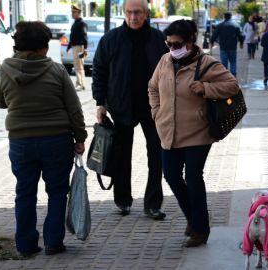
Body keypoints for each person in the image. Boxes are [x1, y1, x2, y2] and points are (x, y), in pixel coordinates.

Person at [0, 21, 87, 256]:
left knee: (24, 192)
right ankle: (54, 242)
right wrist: (80, 137)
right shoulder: (56, 70)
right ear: (44, 47)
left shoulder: (6, 69)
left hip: (21, 142)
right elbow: (74, 108)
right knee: (57, 192)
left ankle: (25, 245)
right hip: (56, 141)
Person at [148, 20, 239, 247]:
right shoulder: (165, 61)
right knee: (170, 174)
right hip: (169, 130)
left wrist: (206, 88)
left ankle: (201, 229)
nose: (172, 48)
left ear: (190, 43)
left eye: (177, 44)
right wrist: (156, 112)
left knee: (193, 177)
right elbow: (152, 87)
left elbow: (232, 85)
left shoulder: (207, 64)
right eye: (168, 44)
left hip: (198, 132)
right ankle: (193, 218)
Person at [92, 0, 168, 220]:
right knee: (122, 155)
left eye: (137, 13)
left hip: (154, 108)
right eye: (129, 13)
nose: (133, 17)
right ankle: (123, 200)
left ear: (146, 14)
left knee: (157, 154)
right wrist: (100, 102)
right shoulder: (111, 39)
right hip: (121, 105)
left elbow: (170, 71)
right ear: (124, 13)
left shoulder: (157, 39)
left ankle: (153, 204)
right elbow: (99, 70)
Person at [210, 12, 244, 77]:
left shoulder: (220, 25)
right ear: (231, 17)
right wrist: (241, 43)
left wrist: (212, 42)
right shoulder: (236, 25)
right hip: (232, 47)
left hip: (223, 47)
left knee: (224, 64)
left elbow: (214, 35)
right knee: (233, 62)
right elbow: (241, 35)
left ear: (224, 17)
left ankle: (225, 77)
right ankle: (233, 76)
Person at [68, 5, 88, 90]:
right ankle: (81, 83)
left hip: (79, 47)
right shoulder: (76, 23)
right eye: (72, 12)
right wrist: (69, 46)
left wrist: (85, 48)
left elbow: (84, 36)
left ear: (78, 13)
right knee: (78, 65)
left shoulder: (81, 23)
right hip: (75, 46)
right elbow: (73, 36)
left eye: (74, 12)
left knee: (78, 66)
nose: (72, 14)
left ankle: (80, 83)